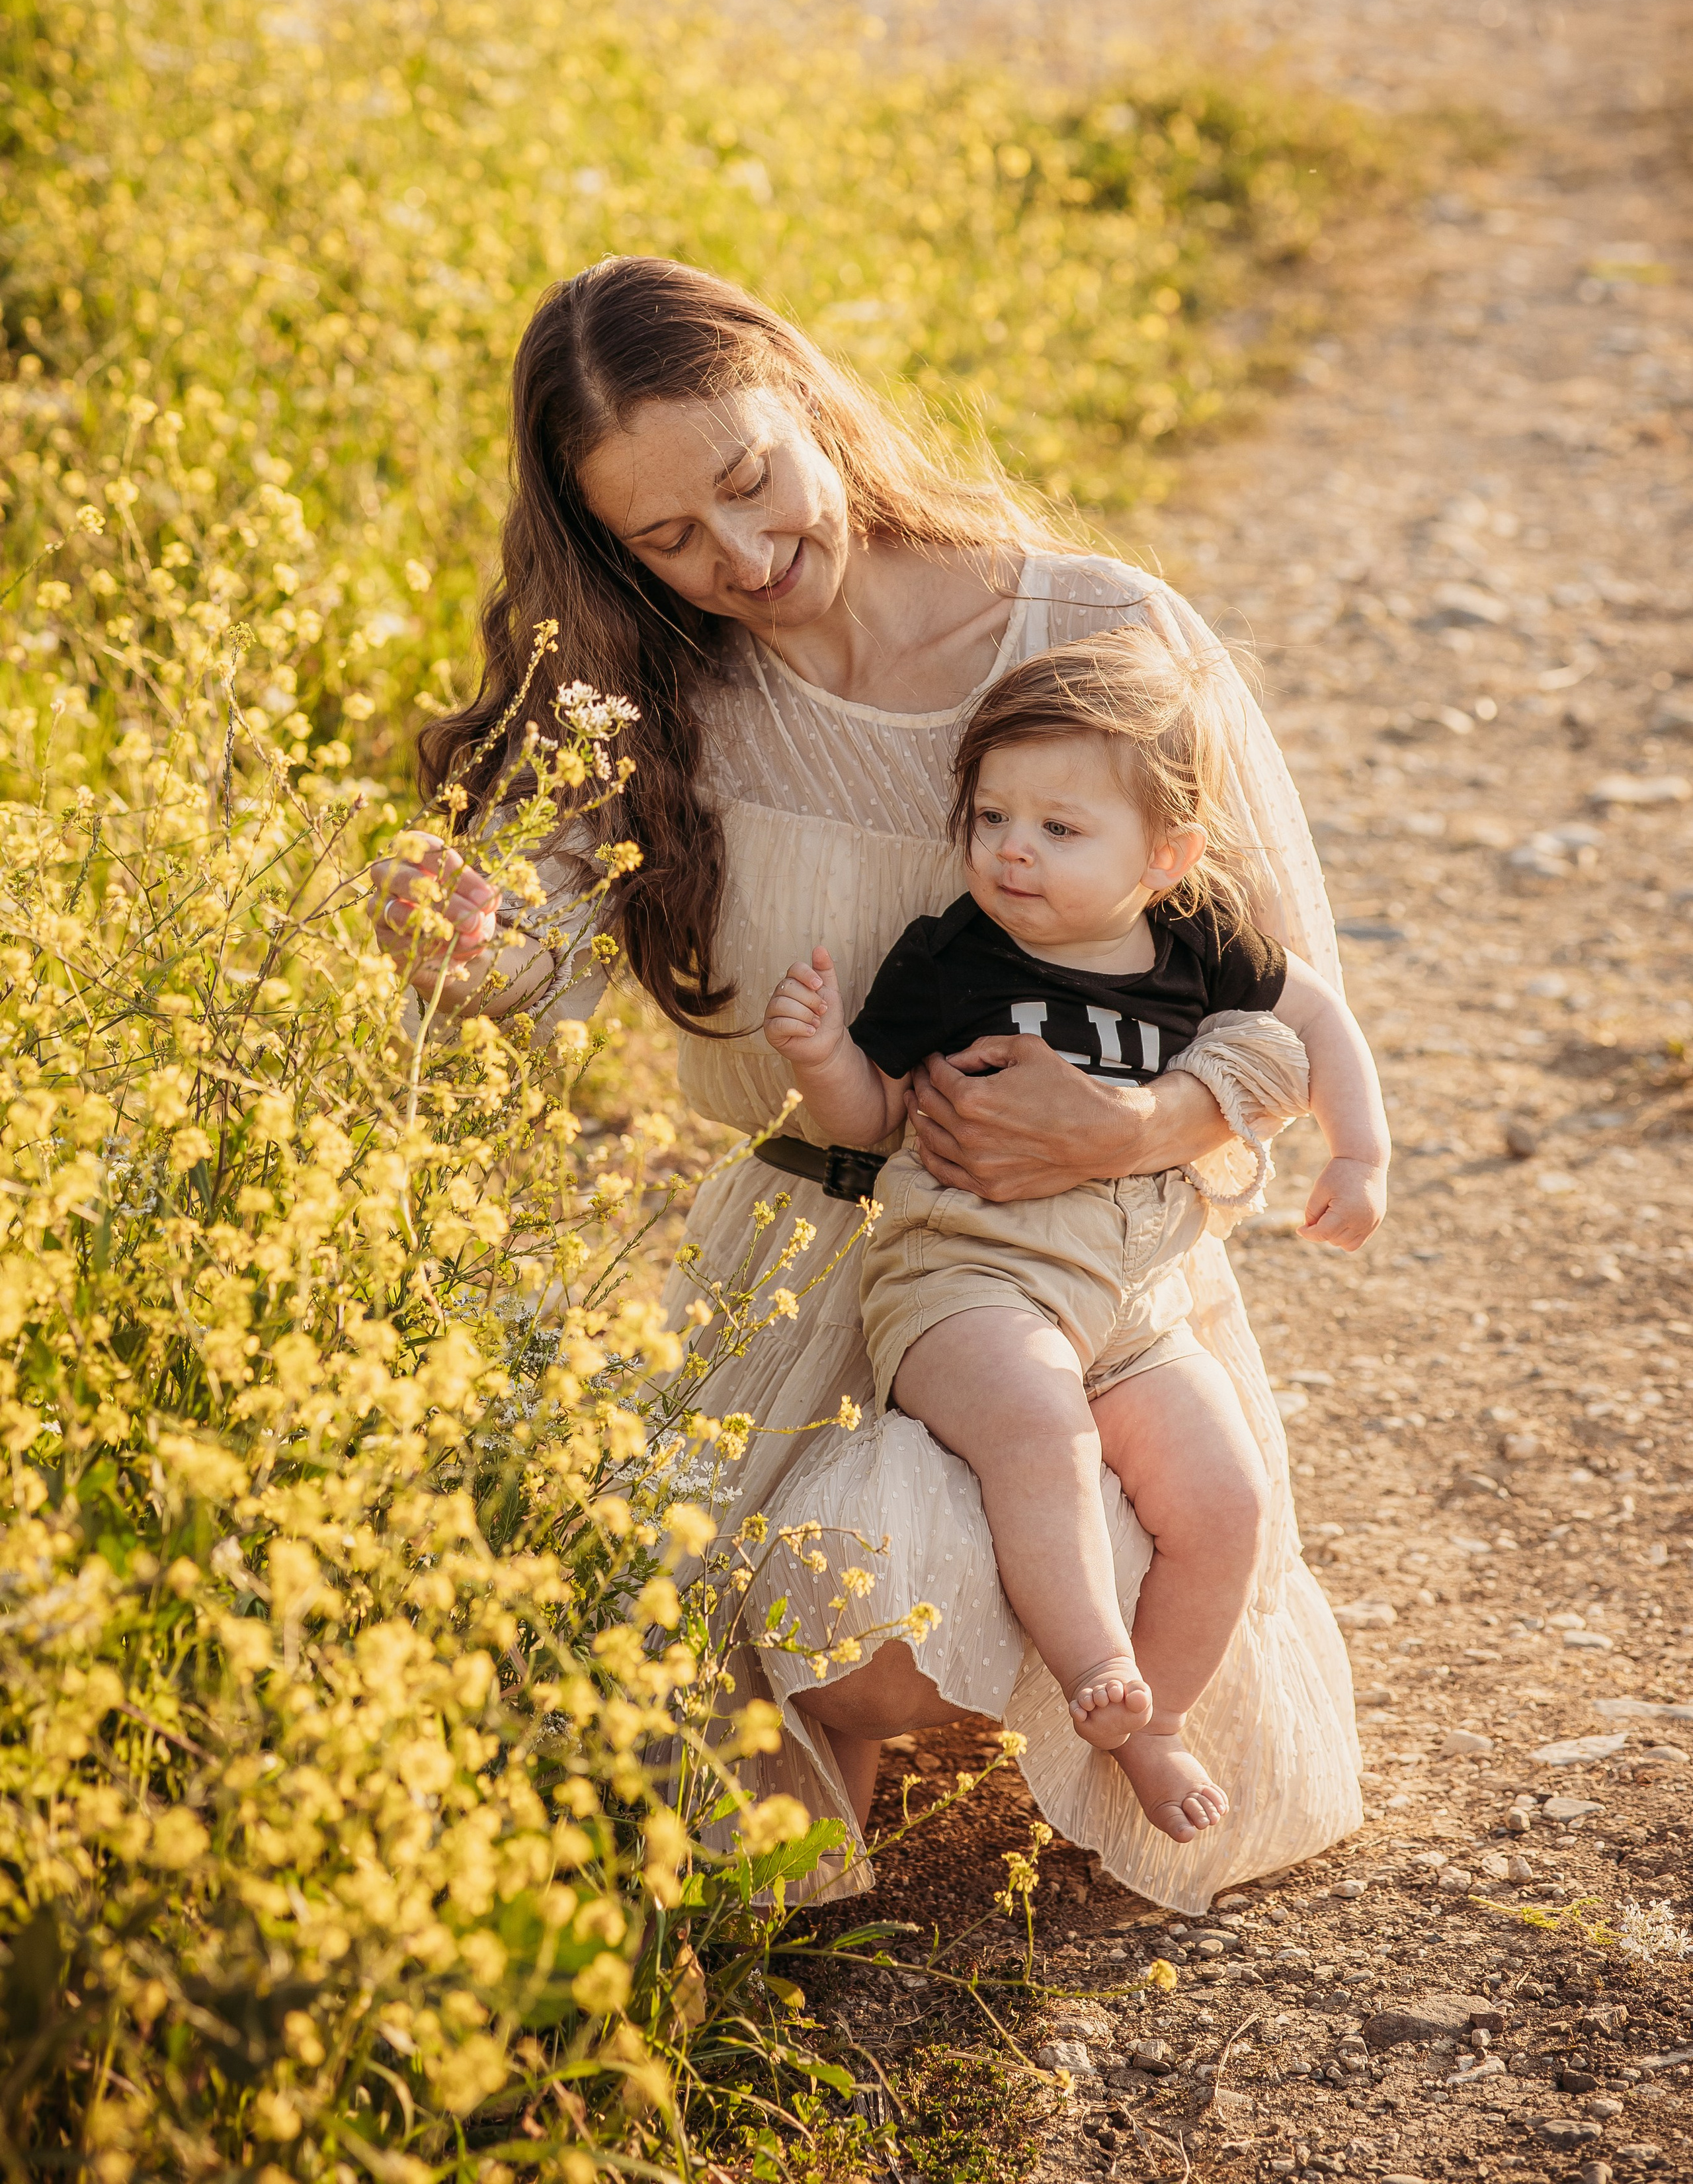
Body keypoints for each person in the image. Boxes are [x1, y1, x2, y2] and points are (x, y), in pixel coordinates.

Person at [368, 253, 1365, 1912]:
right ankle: (872, 1730)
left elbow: (1278, 981)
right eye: (666, 540)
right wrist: (457, 939)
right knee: (712, 1660)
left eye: (752, 485)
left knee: (942, 1570)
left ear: (808, 398)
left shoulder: (1099, 629)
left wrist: (1140, 1121)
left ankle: (985, 1703)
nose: (741, 560)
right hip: (784, 1263)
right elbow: (524, 964)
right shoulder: (658, 694)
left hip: (1070, 1264)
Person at [763, 625, 1388, 1843]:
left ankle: (1153, 1719)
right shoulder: (952, 955)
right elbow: (877, 1116)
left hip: (1135, 1303)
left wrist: (1360, 1153)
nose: (1012, 850)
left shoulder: (1203, 947)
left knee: (1225, 1498)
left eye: (1060, 829)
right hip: (967, 1277)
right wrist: (824, 1056)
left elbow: (1322, 1022)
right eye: (993, 817)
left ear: (1167, 856)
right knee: (1039, 1420)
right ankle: (1097, 1664)